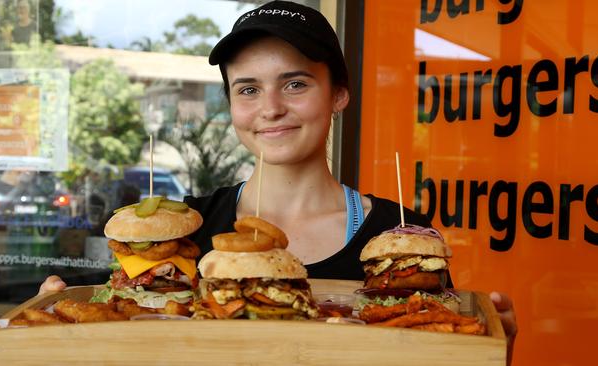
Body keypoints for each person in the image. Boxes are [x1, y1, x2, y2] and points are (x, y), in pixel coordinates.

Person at [39, 0, 516, 362]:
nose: (270, 108)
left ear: (339, 94)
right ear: (231, 106)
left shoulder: (400, 233)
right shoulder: (185, 229)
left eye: (296, 83)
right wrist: (53, 323)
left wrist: (498, 346)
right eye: (248, 89)